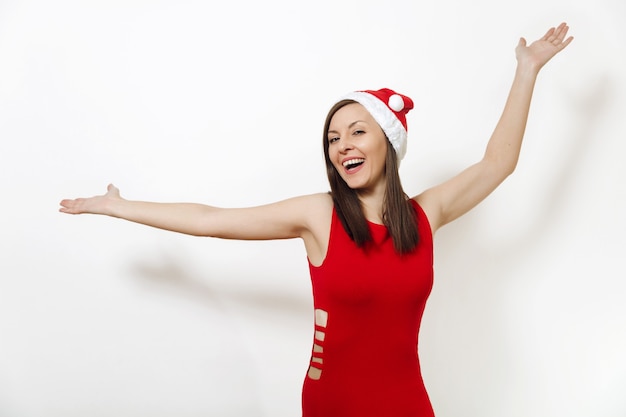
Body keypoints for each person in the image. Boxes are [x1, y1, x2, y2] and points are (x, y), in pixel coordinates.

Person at [60, 23, 573, 417]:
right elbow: (213, 219)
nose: (342, 144)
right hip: (334, 402)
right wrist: (118, 207)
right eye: (333, 139)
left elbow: (497, 164)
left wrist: (526, 70)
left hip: (405, 401)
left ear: (388, 143)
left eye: (356, 132)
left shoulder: (426, 214)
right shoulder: (318, 215)